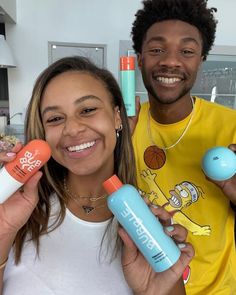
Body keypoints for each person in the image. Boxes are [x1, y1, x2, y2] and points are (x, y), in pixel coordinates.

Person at [0, 56, 194, 295]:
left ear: (116, 117)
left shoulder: (149, 228)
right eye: (55, 118)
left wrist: (152, 291)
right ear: (43, 131)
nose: (72, 129)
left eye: (88, 110)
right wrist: (3, 231)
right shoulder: (17, 211)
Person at [131, 0, 236, 294]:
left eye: (187, 51)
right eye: (156, 50)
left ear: (201, 59)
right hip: (142, 285)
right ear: (140, 58)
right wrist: (118, 146)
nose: (170, 62)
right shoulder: (122, 128)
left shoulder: (231, 129)